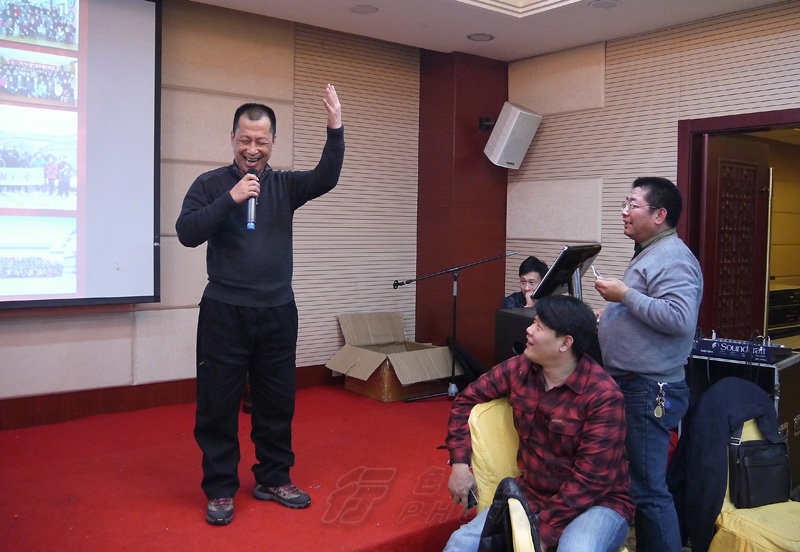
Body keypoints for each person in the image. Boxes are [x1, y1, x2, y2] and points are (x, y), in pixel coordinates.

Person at [175, 84, 344, 526]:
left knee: (276, 401)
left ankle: (273, 477)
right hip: (224, 311)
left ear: (273, 143)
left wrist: (335, 129)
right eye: (245, 139)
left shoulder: (285, 185)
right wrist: (230, 198)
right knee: (217, 404)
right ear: (232, 138)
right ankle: (220, 488)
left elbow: (326, 177)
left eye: (261, 141)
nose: (253, 149)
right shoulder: (210, 184)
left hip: (277, 312)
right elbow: (187, 232)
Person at [444, 295, 634, 552]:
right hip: (534, 494)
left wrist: (540, 536)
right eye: (534, 322)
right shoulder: (520, 369)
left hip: (597, 502)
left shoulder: (603, 396)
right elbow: (465, 400)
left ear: (565, 343)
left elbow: (591, 479)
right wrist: (459, 465)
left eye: (539, 327)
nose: (529, 330)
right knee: (461, 543)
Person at [595, 177, 703, 552]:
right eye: (624, 203)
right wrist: (612, 314)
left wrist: (624, 295)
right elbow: (649, 308)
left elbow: (679, 319)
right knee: (640, 485)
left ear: (659, 215)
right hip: (635, 384)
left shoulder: (673, 258)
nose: (624, 212)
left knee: (649, 490)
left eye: (632, 204)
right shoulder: (650, 250)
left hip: (649, 388)